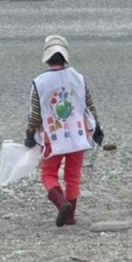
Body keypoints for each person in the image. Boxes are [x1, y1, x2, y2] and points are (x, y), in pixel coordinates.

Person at [24, 35, 104, 227]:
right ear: (65, 56)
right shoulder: (78, 77)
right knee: (73, 175)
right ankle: (70, 216)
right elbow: (89, 105)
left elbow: (35, 114)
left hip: (53, 137)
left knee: (48, 173)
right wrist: (98, 126)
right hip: (79, 134)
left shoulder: (40, 82)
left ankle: (61, 204)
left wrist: (29, 134)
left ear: (47, 57)